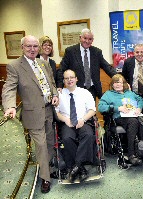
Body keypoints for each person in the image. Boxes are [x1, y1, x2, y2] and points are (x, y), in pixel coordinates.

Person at [2, 35, 59, 193]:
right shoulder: (14, 66)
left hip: (48, 110)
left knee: (49, 142)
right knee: (40, 146)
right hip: (32, 113)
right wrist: (10, 106)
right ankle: (45, 178)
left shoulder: (43, 63)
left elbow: (52, 83)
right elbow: (9, 87)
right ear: (22, 47)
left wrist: (55, 95)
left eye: (35, 46)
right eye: (29, 46)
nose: (32, 49)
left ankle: (49, 168)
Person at [56, 69, 96, 182]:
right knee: (67, 138)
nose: (69, 80)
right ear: (63, 80)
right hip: (67, 122)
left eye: (71, 77)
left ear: (76, 79)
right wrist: (65, 119)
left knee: (88, 135)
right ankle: (81, 168)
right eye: (66, 78)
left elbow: (92, 110)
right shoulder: (59, 94)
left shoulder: (85, 92)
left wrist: (83, 119)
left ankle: (75, 166)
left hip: (83, 121)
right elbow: (56, 112)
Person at [98, 74, 143, 165]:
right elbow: (101, 107)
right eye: (115, 83)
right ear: (112, 85)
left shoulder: (130, 93)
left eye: (119, 82)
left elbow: (141, 100)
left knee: (141, 122)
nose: (117, 84)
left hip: (135, 116)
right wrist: (117, 108)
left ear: (123, 84)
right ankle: (131, 154)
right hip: (118, 118)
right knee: (134, 121)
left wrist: (139, 108)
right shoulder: (108, 94)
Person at [57, 28, 116, 99]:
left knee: (91, 109)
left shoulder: (97, 52)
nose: (87, 41)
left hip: (92, 89)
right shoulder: (70, 51)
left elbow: (107, 67)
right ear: (80, 38)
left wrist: (119, 79)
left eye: (90, 39)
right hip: (76, 89)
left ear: (92, 40)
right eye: (85, 38)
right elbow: (61, 69)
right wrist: (60, 86)